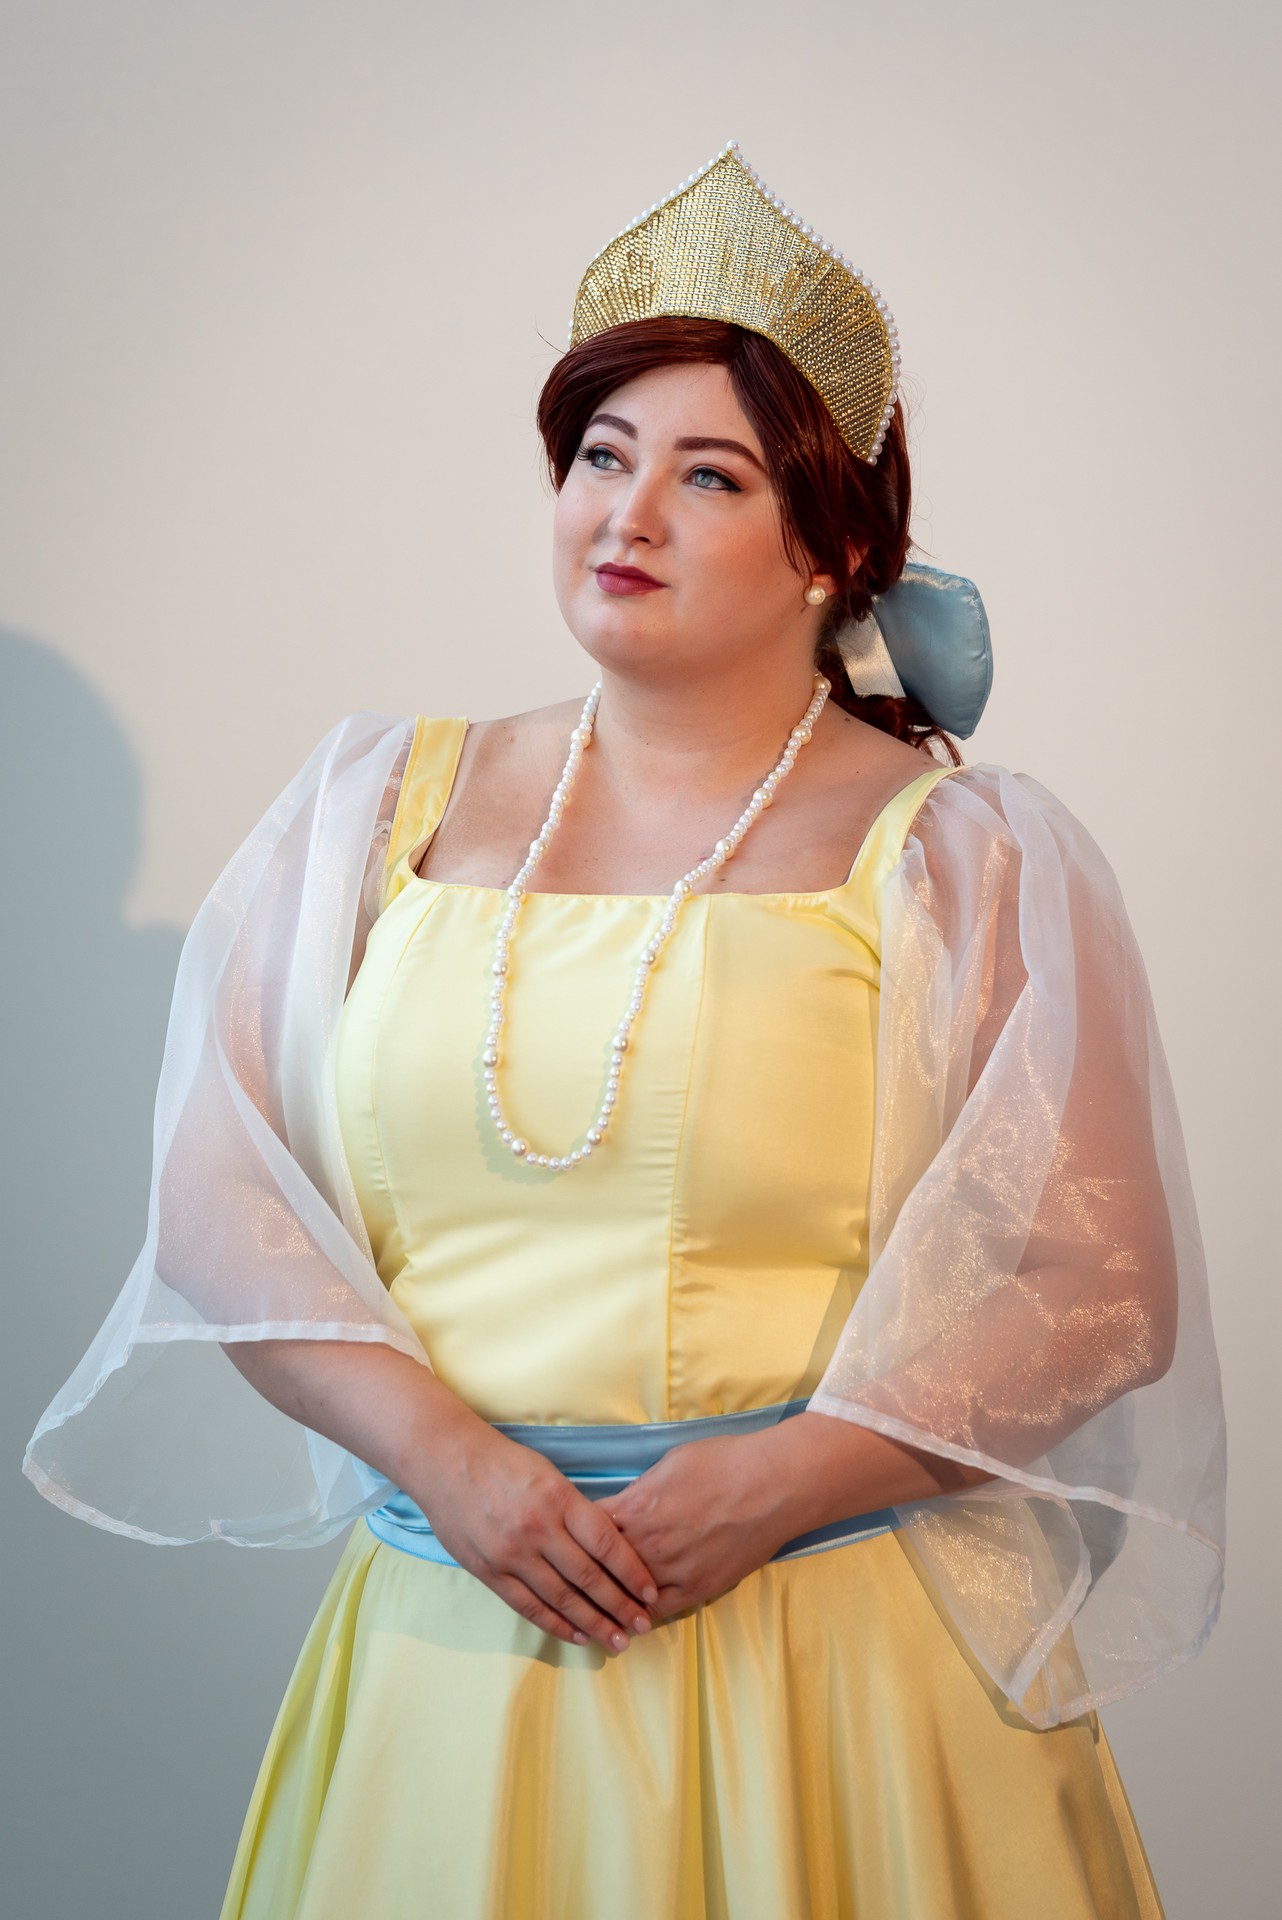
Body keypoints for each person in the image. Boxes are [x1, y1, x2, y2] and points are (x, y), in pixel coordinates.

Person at [25, 143, 1226, 1919]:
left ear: (833, 548)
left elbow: (1088, 1278)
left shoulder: (963, 853)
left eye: (706, 475)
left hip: (834, 1653)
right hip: (457, 1634)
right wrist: (457, 1470)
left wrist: (777, 1484)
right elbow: (221, 1203)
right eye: (600, 455)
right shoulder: (371, 806)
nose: (625, 514)